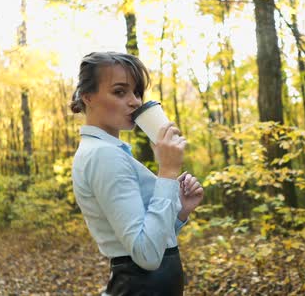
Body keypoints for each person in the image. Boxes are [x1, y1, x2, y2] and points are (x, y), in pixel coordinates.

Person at [70, 51, 204, 296]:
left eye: (137, 92)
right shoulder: (104, 155)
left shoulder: (110, 151)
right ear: (88, 96)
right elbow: (146, 256)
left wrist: (180, 211)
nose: (135, 102)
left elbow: (150, 241)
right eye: (120, 92)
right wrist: (168, 171)